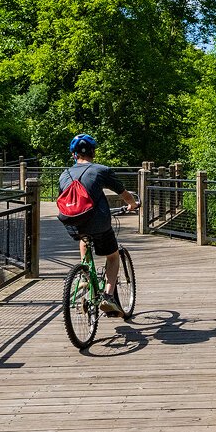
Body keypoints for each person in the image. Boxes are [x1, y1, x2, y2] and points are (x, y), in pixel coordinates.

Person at [58, 133, 137, 314]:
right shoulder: (101, 170)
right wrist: (132, 204)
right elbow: (123, 193)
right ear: (93, 152)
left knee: (83, 236)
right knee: (113, 256)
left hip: (71, 222)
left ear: (74, 154)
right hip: (98, 223)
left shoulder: (64, 174)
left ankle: (86, 273)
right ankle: (108, 297)